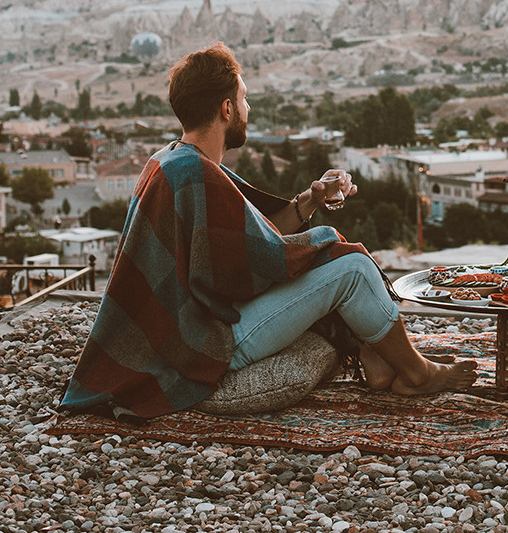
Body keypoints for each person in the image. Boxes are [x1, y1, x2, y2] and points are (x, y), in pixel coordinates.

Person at [62, 43, 475, 418]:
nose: (248, 107)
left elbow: (250, 238)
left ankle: (380, 354)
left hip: (191, 328)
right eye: (244, 99)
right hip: (206, 343)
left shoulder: (172, 159)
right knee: (352, 269)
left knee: (339, 260)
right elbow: (266, 257)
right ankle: (416, 374)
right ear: (226, 109)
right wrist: (326, 241)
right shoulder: (194, 173)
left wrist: (310, 200)